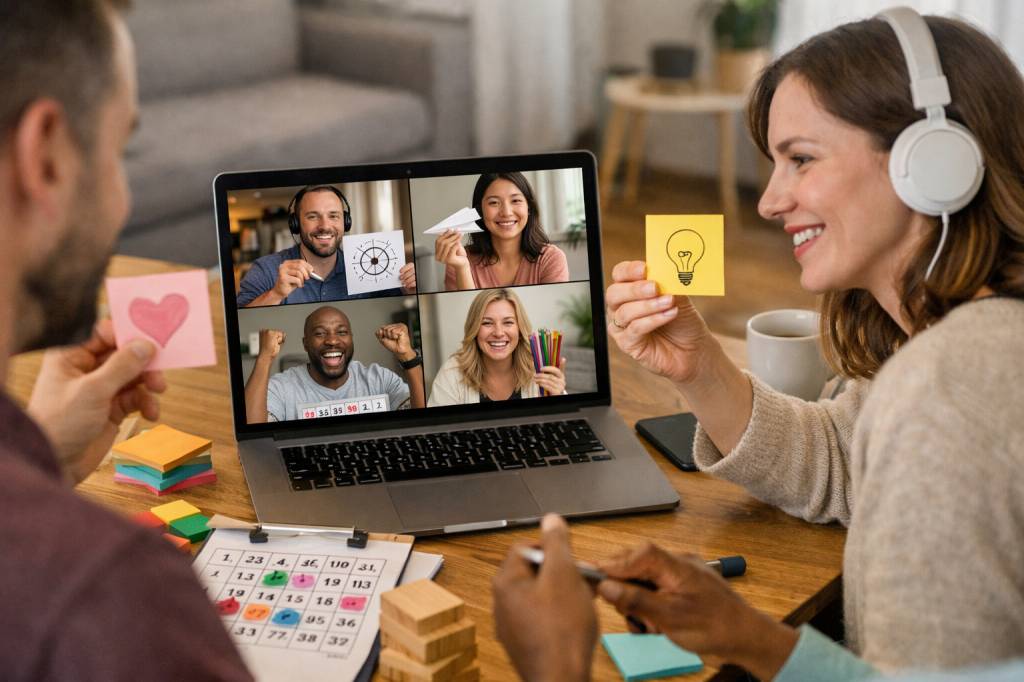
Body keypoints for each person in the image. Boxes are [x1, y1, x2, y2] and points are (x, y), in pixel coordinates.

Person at [495, 9, 1024, 680]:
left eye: (801, 159)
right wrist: (742, 632)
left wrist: (554, 669)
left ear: (934, 158)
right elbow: (844, 464)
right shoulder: (966, 339)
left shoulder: (950, 386)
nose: (771, 201)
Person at [0, 2, 253, 680]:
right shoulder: (115, 597)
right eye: (119, 149)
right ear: (46, 156)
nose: (123, 198)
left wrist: (39, 456)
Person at [236, 184, 417, 307]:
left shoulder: (371, 269)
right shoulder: (265, 269)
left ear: (345, 222)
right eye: (313, 216)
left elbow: (394, 310)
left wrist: (410, 292)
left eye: (333, 216)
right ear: (296, 224)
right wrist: (275, 294)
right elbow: (238, 321)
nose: (324, 226)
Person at [245, 306, 425, 422]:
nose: (332, 341)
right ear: (305, 343)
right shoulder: (281, 387)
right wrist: (264, 358)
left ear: (351, 339)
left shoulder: (379, 378)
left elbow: (422, 421)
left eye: (342, 332)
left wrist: (408, 356)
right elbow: (253, 433)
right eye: (320, 333)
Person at [427, 289, 566, 405]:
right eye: (487, 323)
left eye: (508, 322)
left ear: (519, 329)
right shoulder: (451, 372)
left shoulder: (539, 368)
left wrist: (559, 397)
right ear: (474, 329)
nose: (499, 333)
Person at [435, 172, 569, 291]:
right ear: (479, 210)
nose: (506, 212)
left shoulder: (551, 259)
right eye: (494, 202)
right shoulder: (459, 260)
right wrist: (462, 268)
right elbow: (471, 316)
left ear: (529, 207)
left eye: (515, 200)